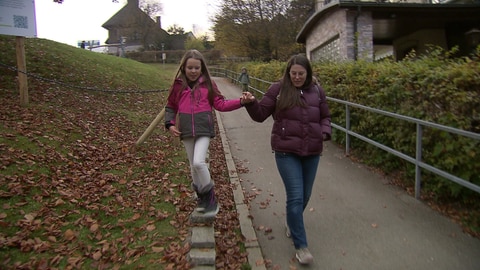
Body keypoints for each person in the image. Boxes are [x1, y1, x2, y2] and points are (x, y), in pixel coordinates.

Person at [241, 54, 331, 265]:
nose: (297, 77)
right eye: (293, 74)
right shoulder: (278, 89)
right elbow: (261, 114)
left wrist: (324, 132)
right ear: (288, 73)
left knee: (306, 194)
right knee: (296, 196)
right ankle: (301, 247)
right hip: (285, 151)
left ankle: (292, 221)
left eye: (301, 74)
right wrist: (251, 103)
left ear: (308, 73)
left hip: (312, 151)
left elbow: (325, 116)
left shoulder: (317, 91)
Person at [165, 50, 253, 218]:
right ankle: (201, 198)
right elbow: (170, 106)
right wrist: (169, 124)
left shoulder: (208, 84)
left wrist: (242, 102)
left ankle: (210, 199)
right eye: (189, 67)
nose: (193, 71)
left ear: (201, 68)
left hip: (204, 129)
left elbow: (221, 104)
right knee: (192, 166)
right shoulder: (178, 85)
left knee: (199, 162)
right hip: (186, 130)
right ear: (183, 67)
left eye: (196, 67)